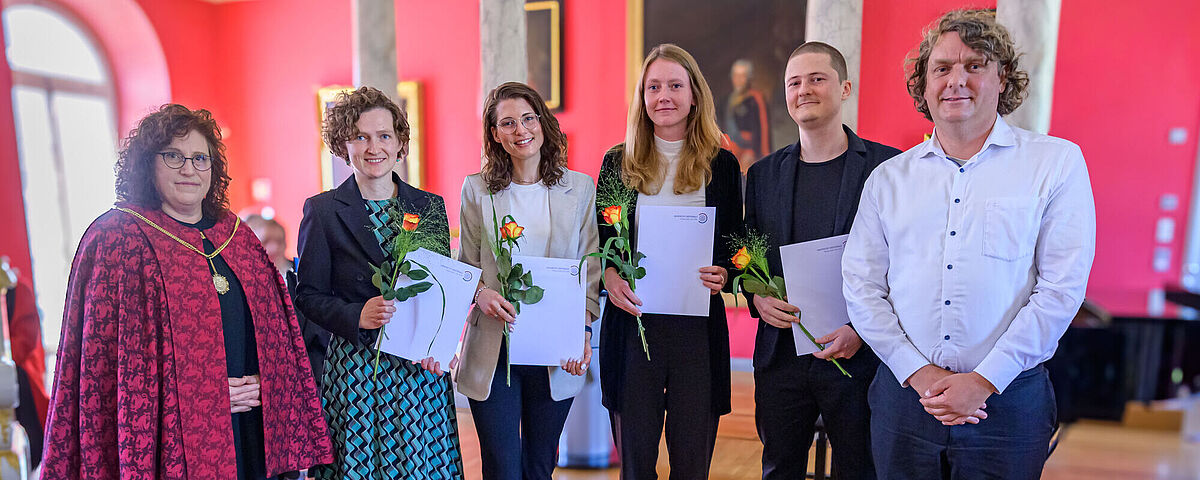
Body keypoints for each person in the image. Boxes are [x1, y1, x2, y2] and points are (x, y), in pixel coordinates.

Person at [842, 9, 1096, 479]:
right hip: (905, 400)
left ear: (1003, 79)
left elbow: (1061, 290)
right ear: (923, 85)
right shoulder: (888, 179)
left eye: (974, 65)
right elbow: (861, 286)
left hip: (1008, 402)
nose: (956, 80)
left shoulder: (1054, 163)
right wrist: (921, 374)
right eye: (941, 68)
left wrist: (982, 381)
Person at [42, 104, 333, 479]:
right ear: (148, 164)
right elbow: (117, 369)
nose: (189, 169)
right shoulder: (117, 238)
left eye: (200, 158)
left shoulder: (236, 235)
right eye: (174, 156)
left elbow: (279, 333)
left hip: (250, 430)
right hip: (170, 443)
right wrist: (207, 395)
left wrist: (268, 382)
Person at [743, 41, 900, 480]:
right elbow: (746, 260)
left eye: (817, 78)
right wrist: (756, 298)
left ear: (845, 87)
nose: (804, 90)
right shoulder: (762, 174)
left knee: (860, 469)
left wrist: (861, 331)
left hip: (859, 356)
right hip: (781, 357)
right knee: (778, 468)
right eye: (794, 82)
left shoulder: (889, 169)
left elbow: (907, 266)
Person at [295, 86, 463, 479]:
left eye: (384, 135)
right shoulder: (322, 211)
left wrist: (444, 343)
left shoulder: (429, 206)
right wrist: (357, 314)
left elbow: (442, 289)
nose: (374, 147)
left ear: (400, 142)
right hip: (356, 370)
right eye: (361, 136)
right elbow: (307, 296)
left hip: (419, 370)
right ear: (343, 144)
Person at [597, 43, 743, 479]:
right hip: (633, 326)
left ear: (694, 94)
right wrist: (609, 277)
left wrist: (727, 273)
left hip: (696, 333)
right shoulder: (616, 164)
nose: (664, 96)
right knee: (636, 467)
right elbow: (605, 246)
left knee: (691, 466)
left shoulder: (723, 166)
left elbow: (735, 249)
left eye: (675, 86)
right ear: (641, 98)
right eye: (653, 86)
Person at [455, 81, 600, 479]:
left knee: (539, 467)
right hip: (494, 348)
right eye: (507, 123)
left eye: (528, 118)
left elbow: (590, 270)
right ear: (495, 134)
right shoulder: (476, 189)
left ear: (542, 122)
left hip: (555, 351)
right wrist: (481, 293)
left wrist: (583, 332)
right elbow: (467, 265)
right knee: (502, 468)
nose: (521, 130)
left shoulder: (581, 188)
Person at [724, 58, 771, 171]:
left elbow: (763, 128)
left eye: (742, 76)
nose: (738, 80)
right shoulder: (728, 99)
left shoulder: (756, 98)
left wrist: (761, 154)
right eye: (736, 76)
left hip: (749, 151)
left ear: (749, 78)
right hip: (732, 150)